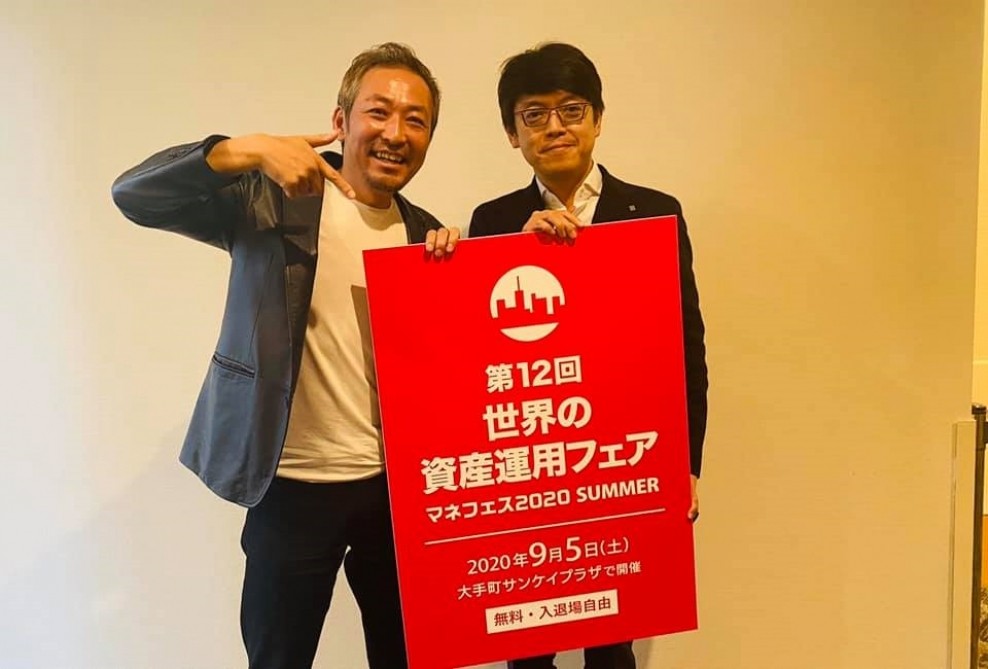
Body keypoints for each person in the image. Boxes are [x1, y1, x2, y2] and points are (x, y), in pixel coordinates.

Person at [111, 42, 457, 669]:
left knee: (408, 655)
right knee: (278, 656)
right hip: (291, 485)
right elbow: (135, 195)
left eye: (416, 120)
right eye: (379, 112)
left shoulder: (424, 233)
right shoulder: (269, 197)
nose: (396, 133)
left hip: (395, 490)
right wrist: (238, 151)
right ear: (341, 120)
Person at [468, 42, 708, 669]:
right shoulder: (493, 221)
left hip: (621, 458)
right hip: (537, 463)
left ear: (598, 119)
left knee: (614, 638)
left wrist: (686, 462)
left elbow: (686, 344)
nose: (555, 127)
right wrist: (509, 254)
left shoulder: (654, 213)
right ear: (512, 133)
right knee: (528, 643)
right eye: (534, 114)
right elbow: (479, 357)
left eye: (571, 109)